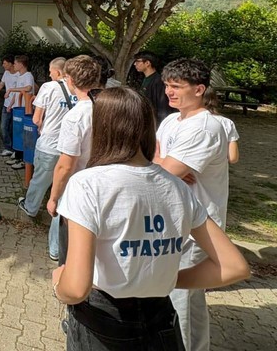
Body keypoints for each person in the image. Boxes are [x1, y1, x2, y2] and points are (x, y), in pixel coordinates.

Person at [52, 87, 250, 350]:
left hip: (104, 320)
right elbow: (234, 266)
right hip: (161, 318)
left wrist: (58, 285)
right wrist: (165, 279)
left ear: (102, 128)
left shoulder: (87, 185)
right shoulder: (177, 187)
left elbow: (77, 288)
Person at [153, 58, 230, 351]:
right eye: (167, 85)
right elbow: (154, 159)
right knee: (191, 297)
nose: (169, 92)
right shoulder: (172, 120)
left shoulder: (204, 128)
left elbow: (163, 171)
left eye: (176, 86)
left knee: (179, 299)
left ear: (199, 89)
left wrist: (163, 165)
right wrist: (163, 164)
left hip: (195, 227)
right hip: (175, 221)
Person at [46, 55, 101, 261]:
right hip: (106, 187)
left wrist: (53, 198)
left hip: (79, 191)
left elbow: (65, 165)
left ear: (70, 80)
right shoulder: (111, 108)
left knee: (71, 253)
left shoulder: (75, 116)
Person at [18, 57, 74, 220]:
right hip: (70, 147)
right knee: (65, 182)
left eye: (50, 72)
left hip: (49, 144)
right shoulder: (78, 89)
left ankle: (31, 207)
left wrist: (41, 125)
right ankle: (62, 212)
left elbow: (36, 119)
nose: (49, 75)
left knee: (40, 179)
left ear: (57, 72)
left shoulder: (48, 87)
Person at [5, 55, 36, 170]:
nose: (14, 65)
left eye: (15, 63)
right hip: (18, 108)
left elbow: (28, 88)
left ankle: (23, 160)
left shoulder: (28, 76)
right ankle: (18, 156)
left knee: (23, 135)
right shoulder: (19, 76)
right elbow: (17, 93)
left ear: (21, 64)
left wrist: (11, 89)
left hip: (25, 109)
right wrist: (10, 105)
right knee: (17, 133)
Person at [133, 51, 177, 125]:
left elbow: (163, 109)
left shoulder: (159, 82)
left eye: (137, 61)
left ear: (147, 63)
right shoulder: (146, 79)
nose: (135, 64)